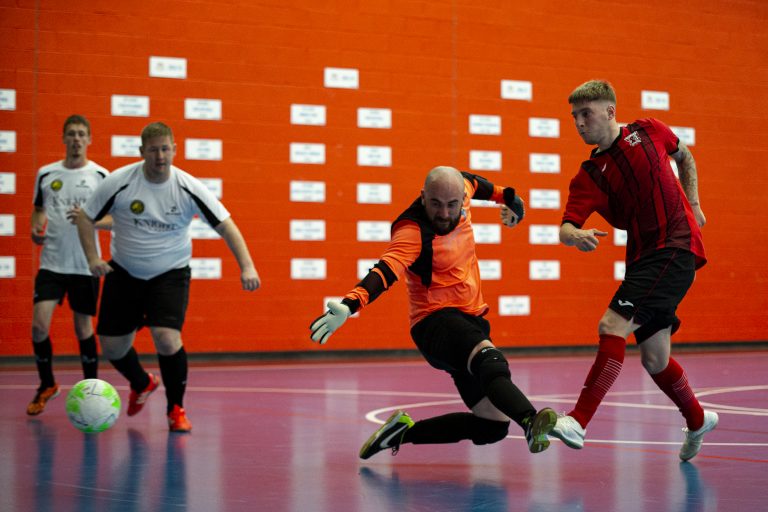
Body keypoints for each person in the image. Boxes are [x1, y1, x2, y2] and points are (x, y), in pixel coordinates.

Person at [310, 166, 557, 459]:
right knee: (489, 360)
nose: (443, 213)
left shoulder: (462, 190)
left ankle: (401, 432)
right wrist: (351, 304)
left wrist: (507, 198)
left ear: (460, 200)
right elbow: (385, 270)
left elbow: (477, 184)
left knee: (492, 426)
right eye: (436, 204)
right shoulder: (412, 230)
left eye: (452, 205)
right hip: (435, 324)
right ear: (423, 197)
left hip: (471, 320)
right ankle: (531, 421)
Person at [551, 79, 717, 461]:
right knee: (655, 358)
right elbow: (565, 226)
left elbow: (685, 156)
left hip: (674, 247)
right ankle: (697, 419)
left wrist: (693, 202)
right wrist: (573, 236)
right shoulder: (590, 174)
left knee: (612, 325)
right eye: (574, 116)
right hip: (644, 258)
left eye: (585, 114)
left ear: (610, 111)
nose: (578, 123)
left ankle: (578, 419)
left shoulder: (648, 130)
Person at [76, 121, 260, 433]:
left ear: (174, 149)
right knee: (112, 346)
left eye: (165, 149)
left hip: (170, 274)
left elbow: (226, 225)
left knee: (166, 337)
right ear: (142, 152)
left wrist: (247, 266)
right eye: (153, 150)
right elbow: (84, 217)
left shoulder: (187, 187)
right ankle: (142, 382)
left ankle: (176, 408)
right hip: (124, 271)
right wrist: (93, 258)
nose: (160, 155)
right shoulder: (121, 182)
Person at [27, 114, 111, 416]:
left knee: (82, 327)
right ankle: (46, 384)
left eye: (81, 134)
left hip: (85, 265)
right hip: (52, 262)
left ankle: (91, 391)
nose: (76, 139)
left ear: (89, 140)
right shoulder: (46, 174)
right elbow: (38, 210)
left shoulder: (101, 175)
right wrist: (35, 228)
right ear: (63, 138)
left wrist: (91, 221)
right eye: (71, 134)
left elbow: (116, 218)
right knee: (38, 326)